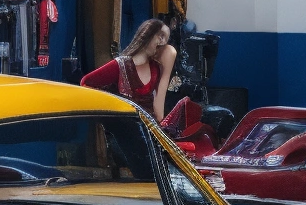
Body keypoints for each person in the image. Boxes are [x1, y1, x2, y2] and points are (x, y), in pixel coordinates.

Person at [82, 19, 217, 157]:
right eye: (160, 36)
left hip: (149, 130)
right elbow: (86, 83)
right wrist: (111, 109)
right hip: (126, 132)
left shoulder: (155, 68)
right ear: (147, 34)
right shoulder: (121, 65)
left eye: (166, 39)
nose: (162, 42)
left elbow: (158, 112)